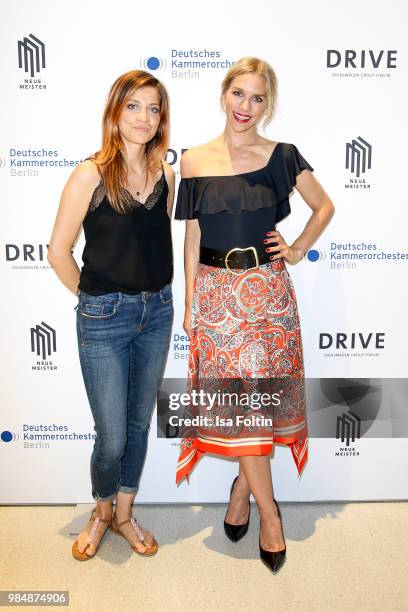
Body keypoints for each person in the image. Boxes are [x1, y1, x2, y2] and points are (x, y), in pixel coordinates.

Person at [174, 57, 334, 573]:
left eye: (257, 98)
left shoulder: (282, 156)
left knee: (256, 409)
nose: (246, 107)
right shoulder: (194, 160)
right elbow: (193, 236)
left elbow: (323, 206)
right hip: (218, 299)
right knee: (239, 411)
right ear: (224, 94)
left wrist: (297, 248)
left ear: (268, 103)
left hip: (268, 295)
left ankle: (243, 491)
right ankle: (270, 513)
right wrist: (191, 302)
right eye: (238, 94)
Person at [48, 70, 175, 560]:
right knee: (112, 434)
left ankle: (124, 514)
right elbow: (59, 251)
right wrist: (94, 299)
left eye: (154, 108)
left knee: (139, 425)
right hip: (104, 318)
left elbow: (155, 244)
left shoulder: (167, 175)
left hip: (157, 312)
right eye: (134, 106)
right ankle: (101, 511)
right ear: (115, 112)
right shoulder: (91, 174)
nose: (144, 117)